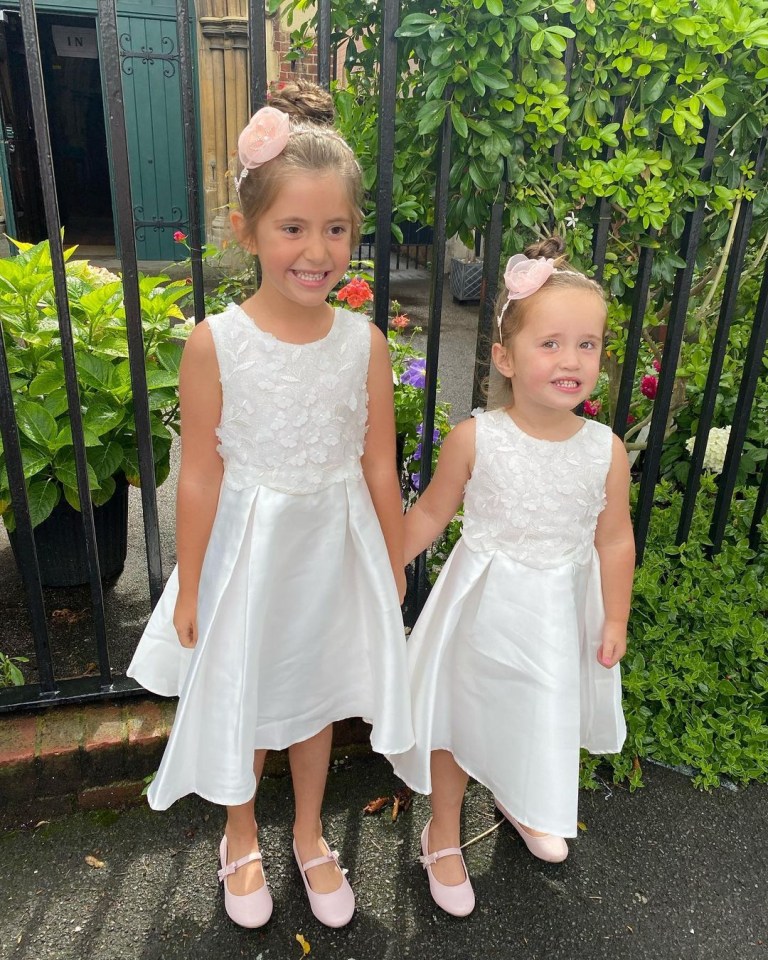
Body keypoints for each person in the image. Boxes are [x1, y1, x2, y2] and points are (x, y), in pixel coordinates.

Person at [128, 81, 413, 931]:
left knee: (316, 694)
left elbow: (378, 457)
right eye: (293, 228)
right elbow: (203, 473)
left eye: (336, 229)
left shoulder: (364, 341)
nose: (316, 250)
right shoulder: (217, 342)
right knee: (250, 693)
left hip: (334, 544)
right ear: (248, 231)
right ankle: (240, 830)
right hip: (251, 548)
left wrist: (393, 557)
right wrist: (187, 589)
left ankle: (310, 831)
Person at [389, 236, 634, 917]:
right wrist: (385, 567)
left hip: (558, 615)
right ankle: (443, 833)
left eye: (587, 345)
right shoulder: (477, 437)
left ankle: (525, 800)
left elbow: (614, 540)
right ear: (505, 356)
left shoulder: (604, 451)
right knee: (461, 719)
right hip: (483, 610)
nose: (571, 359)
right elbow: (432, 514)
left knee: (536, 714)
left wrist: (614, 617)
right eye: (551, 343)